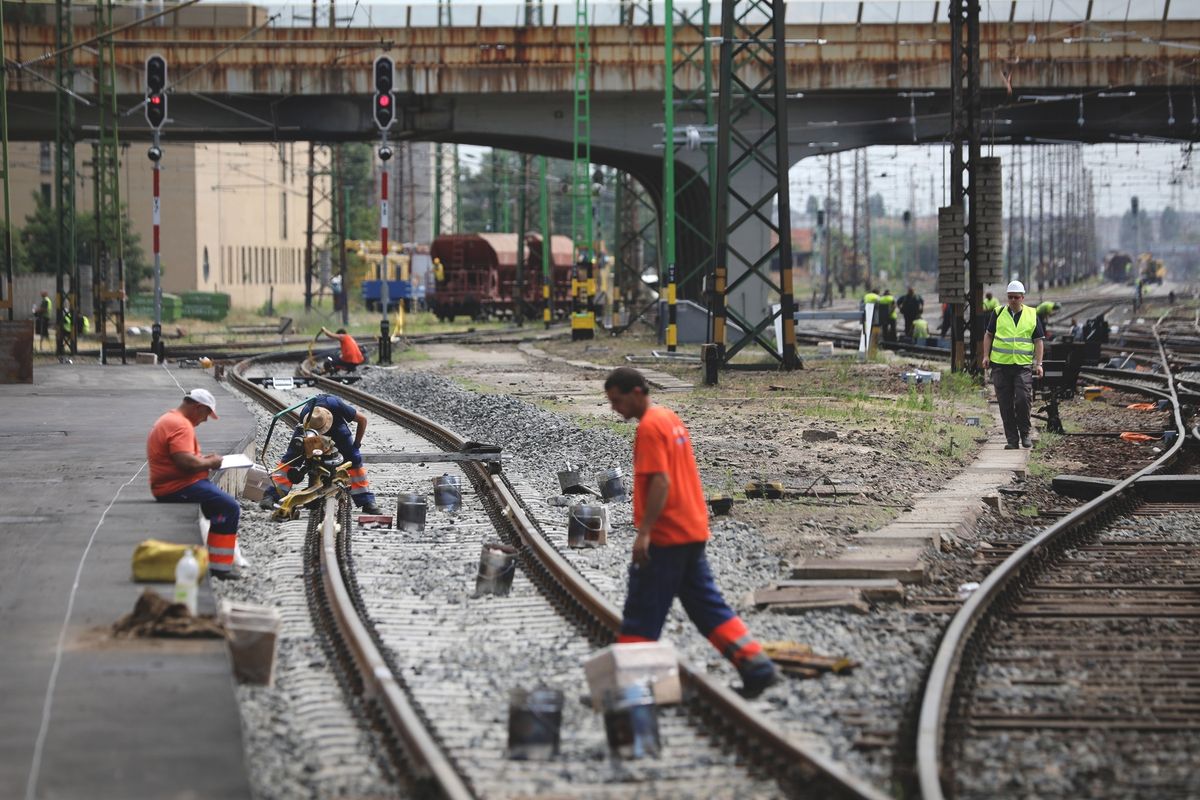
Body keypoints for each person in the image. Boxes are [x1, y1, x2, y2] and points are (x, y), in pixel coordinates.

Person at [603, 367, 780, 699]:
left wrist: (645, 534)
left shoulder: (651, 428)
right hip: (691, 529)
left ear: (637, 393)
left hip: (667, 535)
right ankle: (756, 666)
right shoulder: (669, 418)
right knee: (706, 607)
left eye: (617, 400)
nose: (615, 408)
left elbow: (660, 482)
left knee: (642, 612)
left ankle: (629, 692)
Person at [147, 389, 241, 579]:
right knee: (229, 507)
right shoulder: (181, 425)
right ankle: (220, 568)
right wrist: (211, 463)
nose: (205, 420)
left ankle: (214, 559)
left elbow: (183, 458)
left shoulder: (170, 419)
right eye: (206, 414)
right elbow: (185, 463)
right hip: (176, 487)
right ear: (198, 407)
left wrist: (203, 459)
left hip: (172, 483)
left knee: (220, 506)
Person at [260, 394, 382, 515]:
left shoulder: (335, 404)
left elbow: (362, 419)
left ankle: (367, 501)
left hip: (337, 428)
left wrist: (356, 445)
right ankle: (271, 495)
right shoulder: (307, 415)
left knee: (353, 458)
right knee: (291, 458)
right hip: (309, 431)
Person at [982, 281, 1045, 450]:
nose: (1013, 300)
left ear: (1022, 298)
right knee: (1005, 403)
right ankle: (1012, 439)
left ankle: (1025, 433)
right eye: (1010, 297)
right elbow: (988, 335)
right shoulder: (998, 313)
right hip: (1000, 366)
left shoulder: (1032, 314)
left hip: (1022, 366)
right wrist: (986, 356)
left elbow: (1038, 342)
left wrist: (1039, 364)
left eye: (1016, 297)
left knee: (1023, 399)